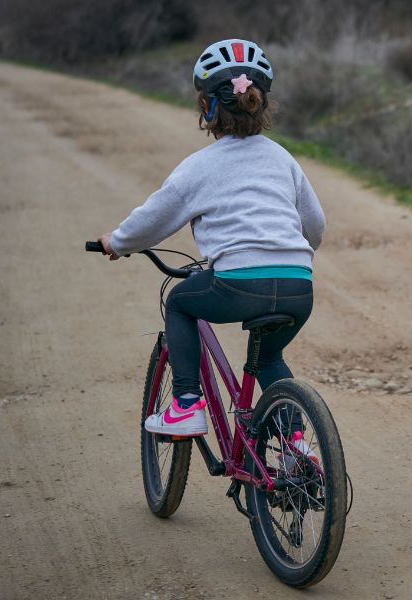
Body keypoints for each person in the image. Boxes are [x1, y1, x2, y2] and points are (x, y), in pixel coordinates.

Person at [98, 39, 325, 439]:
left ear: (206, 107)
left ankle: (185, 404)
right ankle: (297, 447)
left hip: (238, 284)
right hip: (298, 285)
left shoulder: (199, 167)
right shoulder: (282, 158)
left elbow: (154, 218)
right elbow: (315, 224)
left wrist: (117, 241)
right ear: (262, 103)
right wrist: (289, 253)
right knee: (270, 357)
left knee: (181, 304)